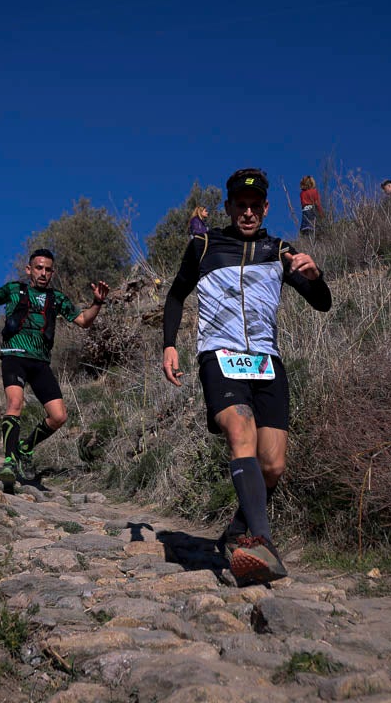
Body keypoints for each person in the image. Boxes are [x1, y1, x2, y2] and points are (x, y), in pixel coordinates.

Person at [162, 168, 332, 585]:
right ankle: (262, 543)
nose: (249, 212)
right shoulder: (204, 244)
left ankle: (238, 531)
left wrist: (314, 277)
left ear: (266, 208)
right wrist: (169, 344)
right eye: (241, 205)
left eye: (256, 206)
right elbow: (175, 294)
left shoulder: (280, 251)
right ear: (229, 207)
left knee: (272, 464)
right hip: (219, 356)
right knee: (240, 430)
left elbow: (322, 303)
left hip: (266, 363)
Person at [0, 249, 110, 493]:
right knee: (15, 403)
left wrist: (97, 302)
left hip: (40, 363)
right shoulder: (13, 290)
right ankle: (10, 463)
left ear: (52, 272)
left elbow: (84, 321)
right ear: (29, 269)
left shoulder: (57, 298)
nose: (43, 273)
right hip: (14, 357)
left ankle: (25, 448)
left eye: (48, 269)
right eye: (39, 268)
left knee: (59, 416)